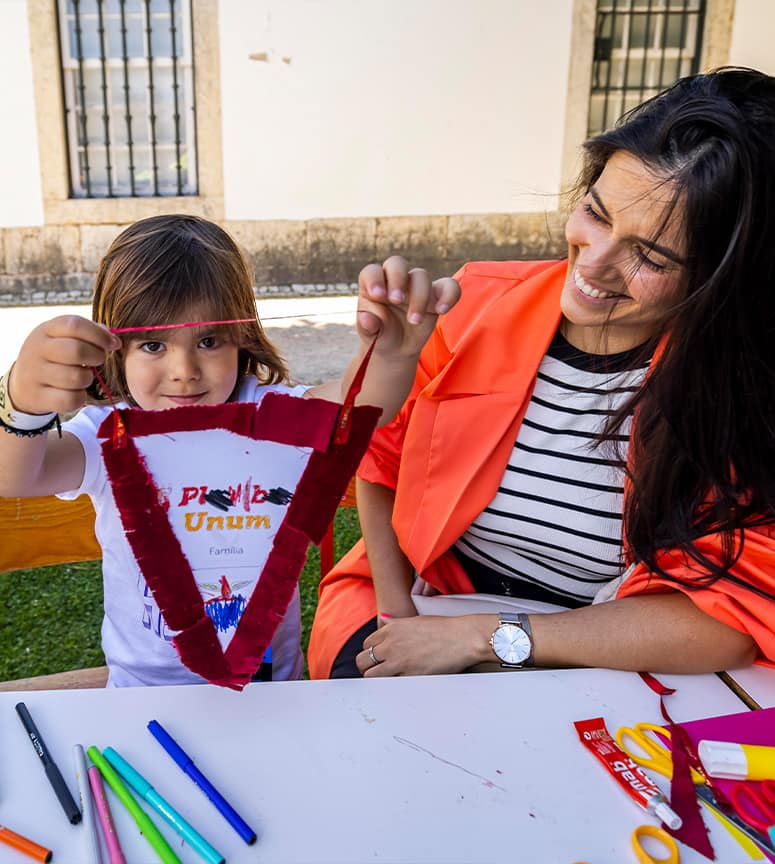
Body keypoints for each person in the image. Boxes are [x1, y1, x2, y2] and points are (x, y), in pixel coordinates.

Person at [308, 67, 775, 689]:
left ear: (732, 281)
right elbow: (379, 462)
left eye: (651, 256)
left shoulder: (747, 385)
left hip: (611, 641)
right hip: (422, 594)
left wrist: (490, 637)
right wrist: (397, 620)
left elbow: (740, 616)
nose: (593, 265)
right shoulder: (474, 306)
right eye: (595, 214)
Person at [0, 214, 460, 687]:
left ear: (241, 336)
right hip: (142, 690)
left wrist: (393, 355)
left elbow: (360, 406)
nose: (184, 370)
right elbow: (16, 474)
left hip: (264, 688)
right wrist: (19, 401)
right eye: (153, 344)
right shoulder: (109, 432)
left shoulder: (271, 416)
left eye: (208, 340)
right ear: (115, 348)